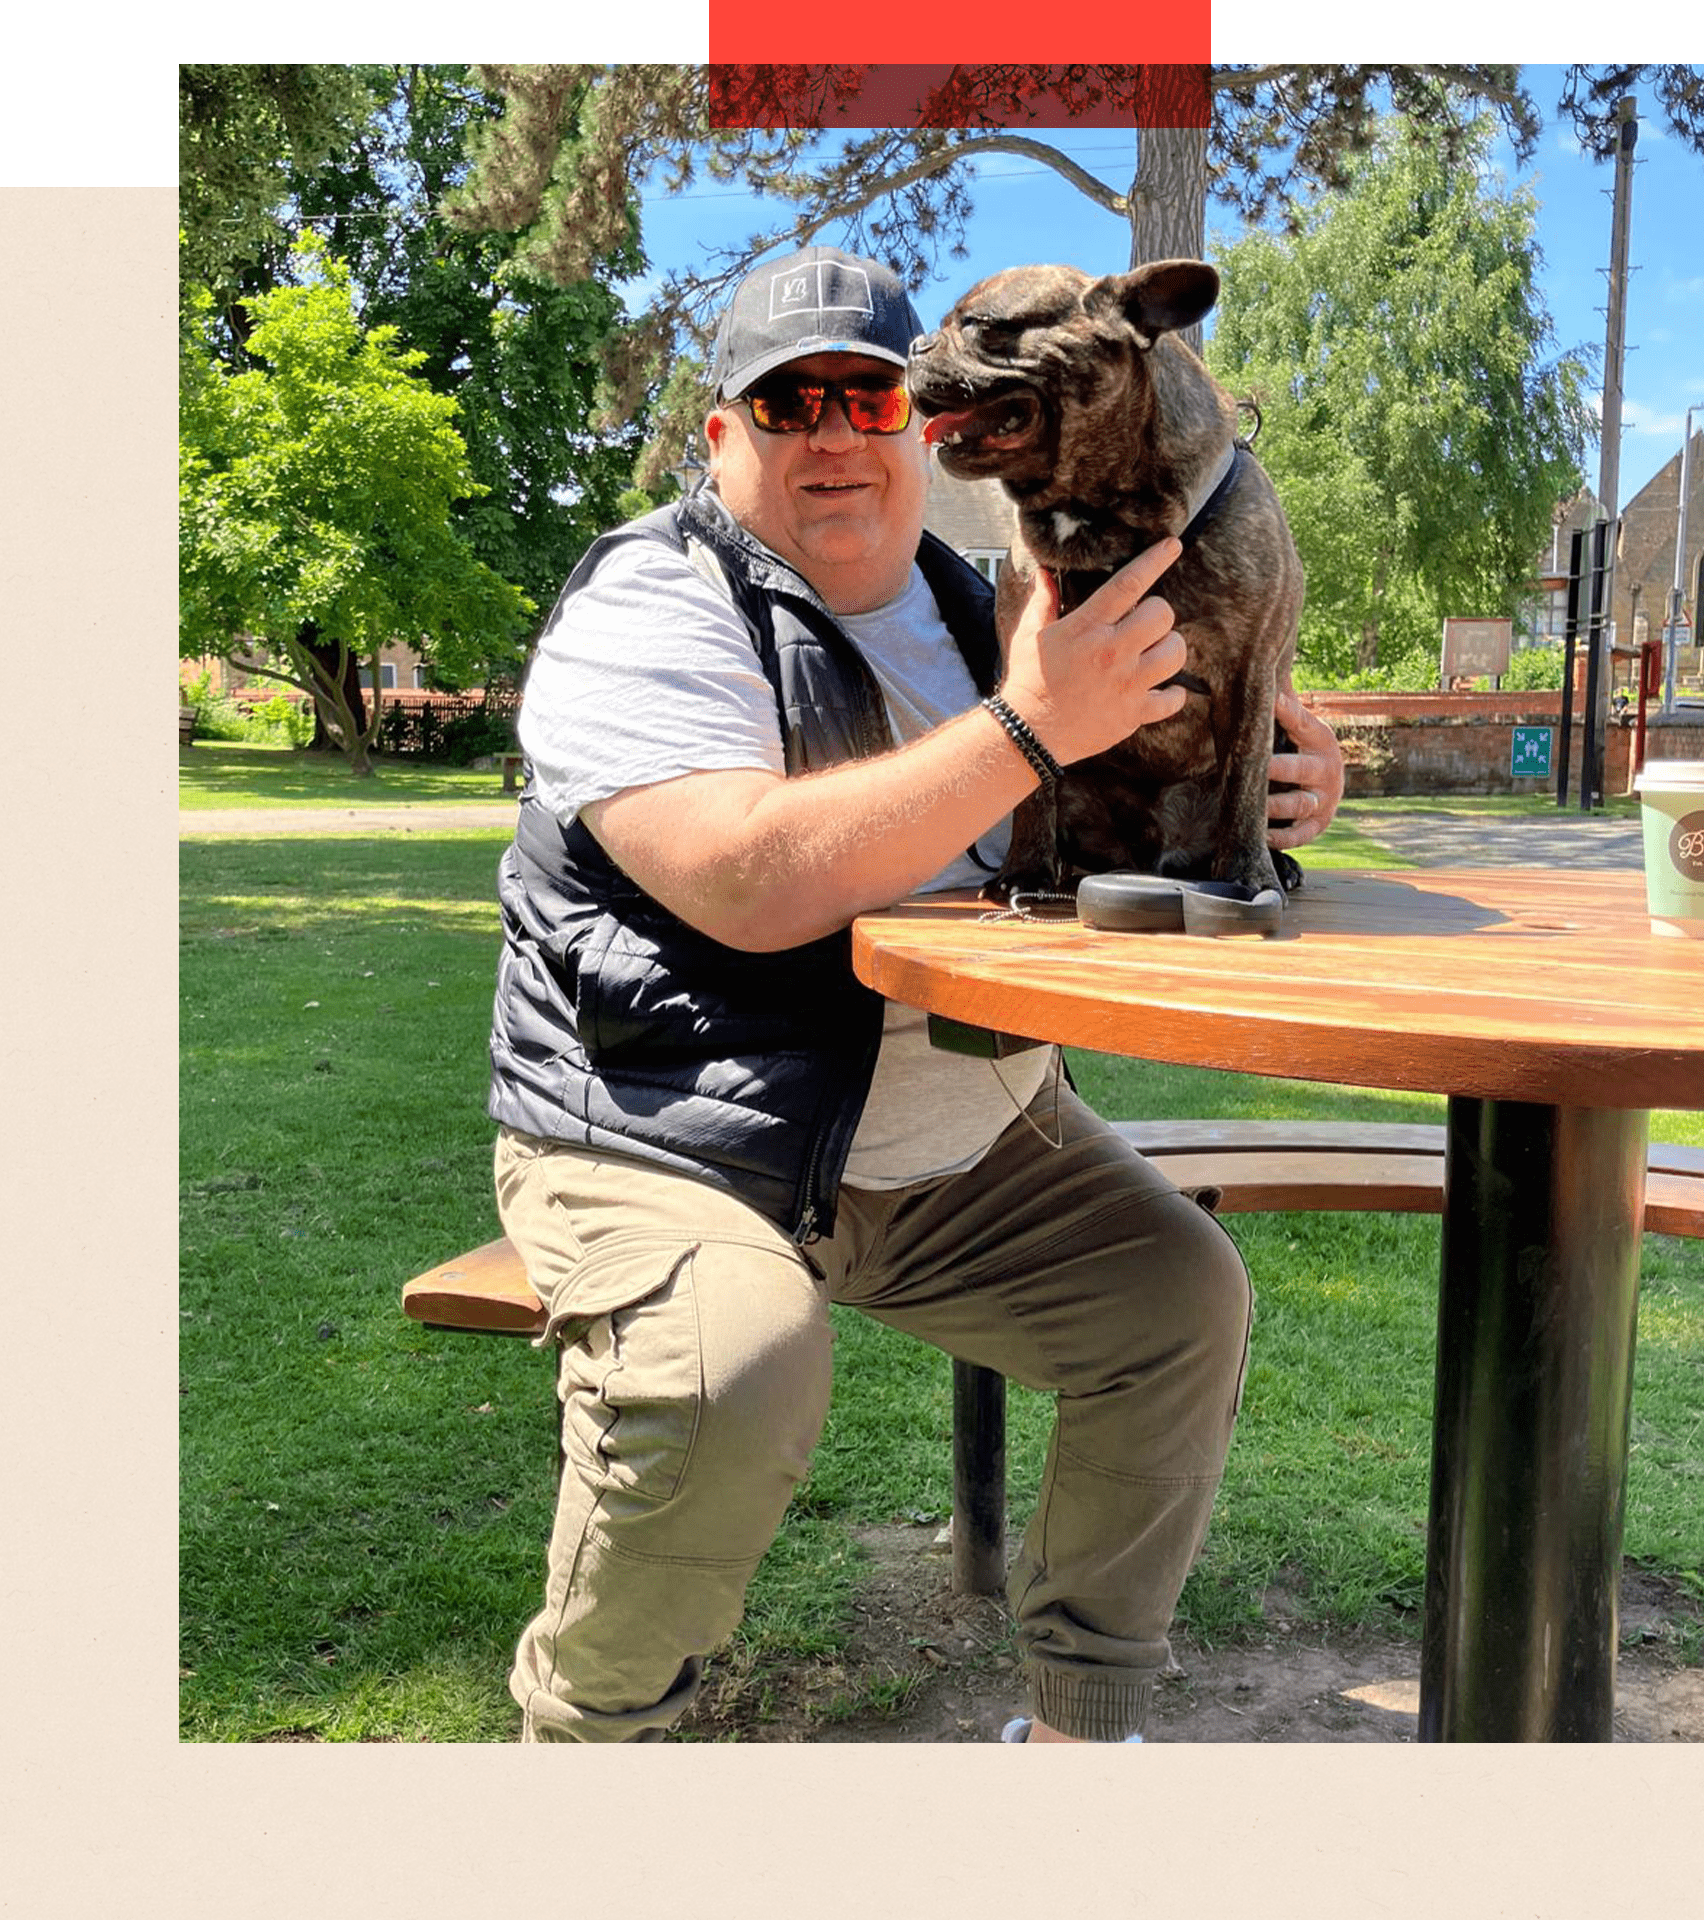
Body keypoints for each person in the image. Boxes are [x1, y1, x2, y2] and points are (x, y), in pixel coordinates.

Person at [487, 245, 1346, 1743]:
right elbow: (745, 878)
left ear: (921, 422)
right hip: (677, 1138)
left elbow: (1192, 727)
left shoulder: (992, 594)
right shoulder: (650, 606)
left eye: (866, 397)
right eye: (787, 402)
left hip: (972, 1145)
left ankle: (1081, 1727)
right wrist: (1028, 725)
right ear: (722, 436)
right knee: (728, 1373)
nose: (833, 433)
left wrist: (1294, 772)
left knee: (1178, 1305)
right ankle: (586, 1742)